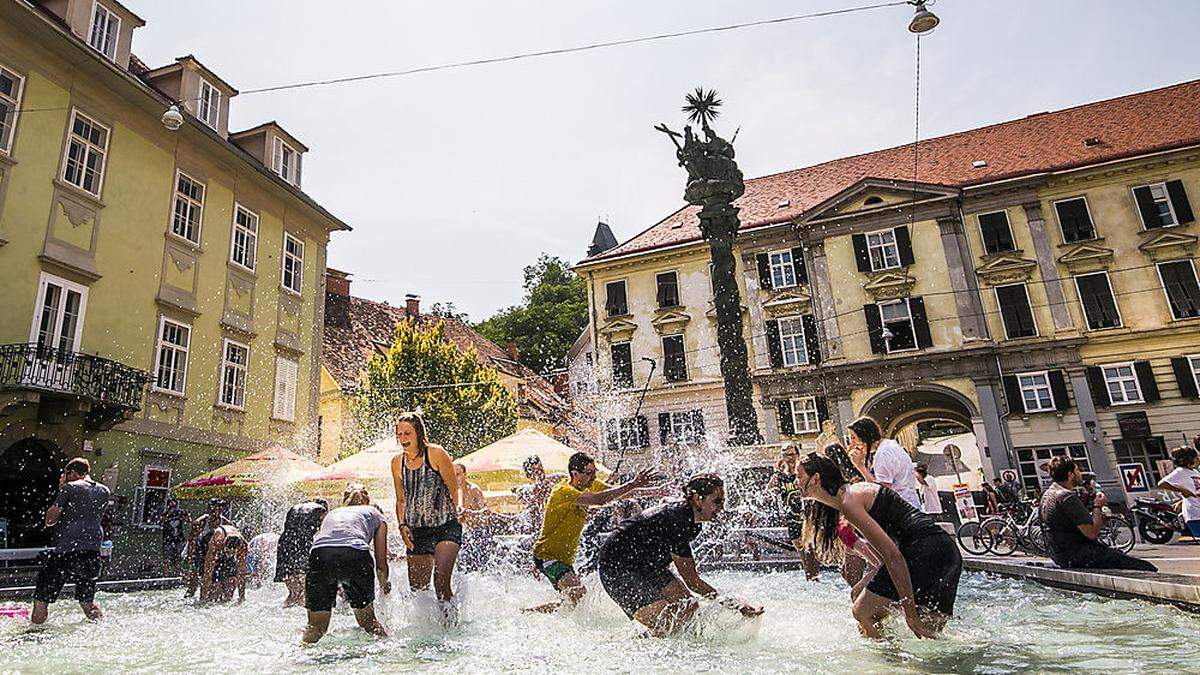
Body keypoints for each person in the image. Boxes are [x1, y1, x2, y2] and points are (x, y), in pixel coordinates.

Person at [795, 452, 960, 639]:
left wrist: (910, 611)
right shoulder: (851, 496)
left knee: (862, 613)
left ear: (815, 478)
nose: (796, 482)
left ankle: (891, 663)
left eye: (799, 476)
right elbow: (886, 560)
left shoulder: (850, 502)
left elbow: (893, 556)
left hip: (924, 550)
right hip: (946, 551)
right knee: (931, 635)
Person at [597, 474, 762, 637]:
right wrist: (734, 605)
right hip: (617, 568)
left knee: (689, 608)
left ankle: (650, 637)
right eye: (716, 501)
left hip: (648, 566)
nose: (721, 508)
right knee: (668, 626)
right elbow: (693, 582)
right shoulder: (679, 521)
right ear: (698, 499)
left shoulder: (693, 522)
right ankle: (622, 648)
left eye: (722, 502)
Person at [526, 453, 661, 613]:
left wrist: (658, 491)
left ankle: (531, 613)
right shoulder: (563, 491)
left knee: (573, 602)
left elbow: (617, 493)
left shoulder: (589, 484)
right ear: (575, 474)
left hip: (564, 558)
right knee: (578, 593)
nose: (593, 477)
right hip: (547, 555)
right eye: (589, 473)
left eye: (594, 472)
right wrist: (633, 483)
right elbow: (599, 500)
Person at [302, 483, 391, 644]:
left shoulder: (332, 513)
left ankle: (298, 664)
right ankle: (389, 656)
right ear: (368, 500)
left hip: (321, 555)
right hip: (355, 555)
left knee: (315, 627)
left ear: (344, 500)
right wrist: (384, 585)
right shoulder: (376, 514)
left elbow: (325, 541)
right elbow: (381, 562)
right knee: (369, 623)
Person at [389, 412, 462, 604]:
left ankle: (450, 628)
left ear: (419, 433)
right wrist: (402, 525)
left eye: (407, 433)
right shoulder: (397, 463)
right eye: (399, 434)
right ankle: (428, 633)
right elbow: (401, 499)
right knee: (418, 592)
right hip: (417, 530)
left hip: (445, 526)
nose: (403, 438)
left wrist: (456, 513)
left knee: (440, 582)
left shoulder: (435, 453)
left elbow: (453, 489)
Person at [1039, 455, 1157, 571]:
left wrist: (1100, 517)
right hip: (1078, 554)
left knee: (1119, 556)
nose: (1080, 473)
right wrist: (1098, 505)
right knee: (1145, 567)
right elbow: (1091, 533)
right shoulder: (1067, 496)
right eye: (1077, 470)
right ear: (1070, 475)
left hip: (1059, 555)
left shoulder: (1048, 494)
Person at [30, 458, 110, 625]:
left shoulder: (69, 488)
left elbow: (50, 520)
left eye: (67, 474)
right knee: (87, 602)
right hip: (91, 551)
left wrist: (61, 489)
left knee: (41, 599)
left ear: (72, 472)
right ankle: (102, 626)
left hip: (66, 551)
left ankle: (34, 633)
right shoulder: (104, 490)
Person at [768, 445, 820, 580]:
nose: (790, 458)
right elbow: (768, 492)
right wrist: (774, 485)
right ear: (782, 457)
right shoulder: (780, 475)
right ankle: (811, 578)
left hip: (808, 515)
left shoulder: (803, 471)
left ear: (798, 455)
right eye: (786, 455)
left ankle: (814, 578)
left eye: (792, 454)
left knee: (811, 549)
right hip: (792, 517)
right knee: (802, 551)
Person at [847, 417, 921, 510]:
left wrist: (860, 466)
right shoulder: (889, 444)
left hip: (901, 509)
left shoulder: (882, 454)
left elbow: (880, 493)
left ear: (864, 437)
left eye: (854, 438)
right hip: (910, 503)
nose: (853, 443)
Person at [275, 499, 329, 606]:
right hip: (302, 543)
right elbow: (325, 532)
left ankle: (284, 612)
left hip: (284, 543)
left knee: (293, 593)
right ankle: (300, 615)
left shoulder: (296, 507)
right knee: (303, 592)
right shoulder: (321, 510)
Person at [184, 498, 232, 598]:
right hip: (201, 551)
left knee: (219, 579)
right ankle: (191, 595)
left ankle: (217, 595)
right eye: (211, 510)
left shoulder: (226, 523)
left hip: (217, 552)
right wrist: (190, 557)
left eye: (216, 510)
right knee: (195, 577)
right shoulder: (201, 522)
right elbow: (192, 540)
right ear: (208, 509)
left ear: (221, 510)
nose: (213, 512)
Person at [1158, 446, 1200, 541]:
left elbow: (1195, 491)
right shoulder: (1180, 472)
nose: (1197, 459)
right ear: (1187, 459)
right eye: (1195, 457)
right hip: (1195, 513)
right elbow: (1162, 483)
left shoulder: (1195, 472)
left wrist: (1181, 501)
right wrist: (1182, 490)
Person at [198, 524, 249, 603]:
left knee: (231, 584)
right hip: (210, 547)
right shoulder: (216, 542)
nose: (229, 554)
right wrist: (202, 600)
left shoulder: (243, 546)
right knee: (214, 590)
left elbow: (242, 573)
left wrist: (242, 598)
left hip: (228, 545)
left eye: (232, 553)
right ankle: (205, 597)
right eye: (228, 552)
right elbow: (208, 572)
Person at [516, 455, 566, 533]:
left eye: (541, 470)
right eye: (536, 472)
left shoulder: (557, 479)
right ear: (529, 476)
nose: (540, 474)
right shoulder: (532, 496)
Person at [160, 499, 189, 577]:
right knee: (167, 558)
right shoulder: (165, 513)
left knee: (178, 557)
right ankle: (166, 575)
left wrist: (184, 515)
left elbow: (188, 520)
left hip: (179, 539)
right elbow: (161, 522)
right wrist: (169, 514)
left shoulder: (179, 513)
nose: (173, 506)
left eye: (174, 504)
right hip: (168, 539)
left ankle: (177, 573)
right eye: (171, 504)